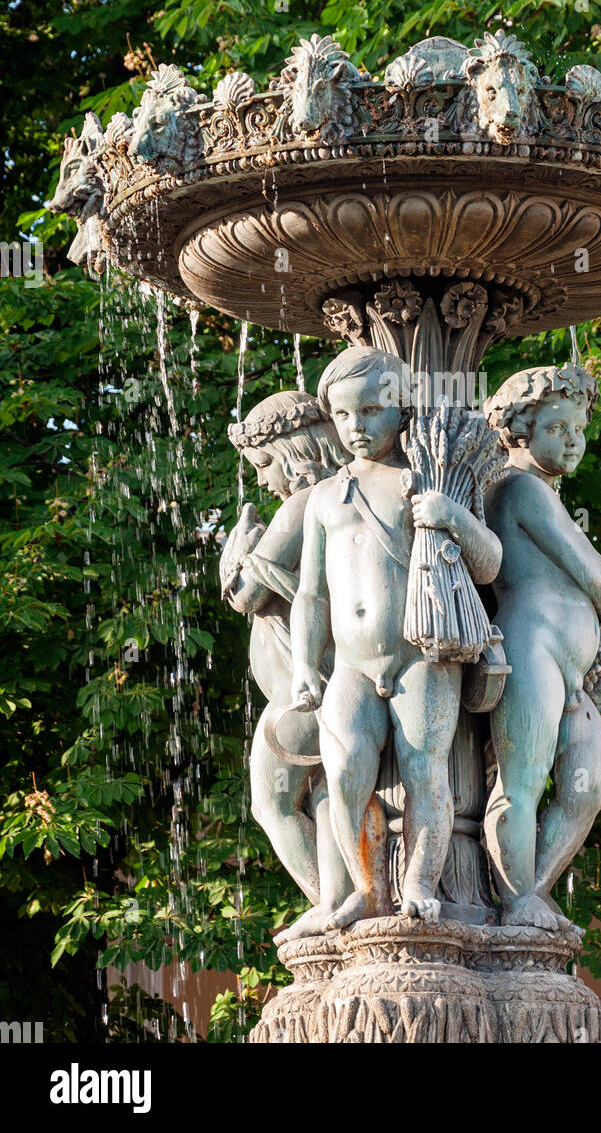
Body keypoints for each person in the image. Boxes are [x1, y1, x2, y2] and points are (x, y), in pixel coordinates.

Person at [290, 346, 501, 928]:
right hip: (353, 666)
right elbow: (311, 593)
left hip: (422, 655)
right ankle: (365, 884)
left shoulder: (427, 479)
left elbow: (489, 564)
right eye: (343, 416)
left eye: (372, 411)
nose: (357, 428)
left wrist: (450, 516)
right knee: (345, 765)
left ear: (401, 408)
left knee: (423, 766)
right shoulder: (324, 498)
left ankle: (419, 881)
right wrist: (306, 665)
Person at [482, 364, 601, 930]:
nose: (573, 441)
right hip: (532, 643)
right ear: (522, 429)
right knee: (522, 779)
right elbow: (590, 570)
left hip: (571, 667)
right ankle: (518, 898)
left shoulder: (540, 490)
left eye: (580, 429)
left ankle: (533, 890)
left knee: (589, 783)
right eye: (558, 428)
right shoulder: (519, 486)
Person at [220, 390, 351, 938]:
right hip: (327, 685)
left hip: (303, 692)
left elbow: (247, 592)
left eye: (266, 463)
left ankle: (328, 903)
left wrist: (238, 549)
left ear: (296, 449)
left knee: (271, 801)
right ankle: (342, 901)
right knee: (322, 796)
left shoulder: (302, 505)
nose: (266, 480)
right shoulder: (342, 497)